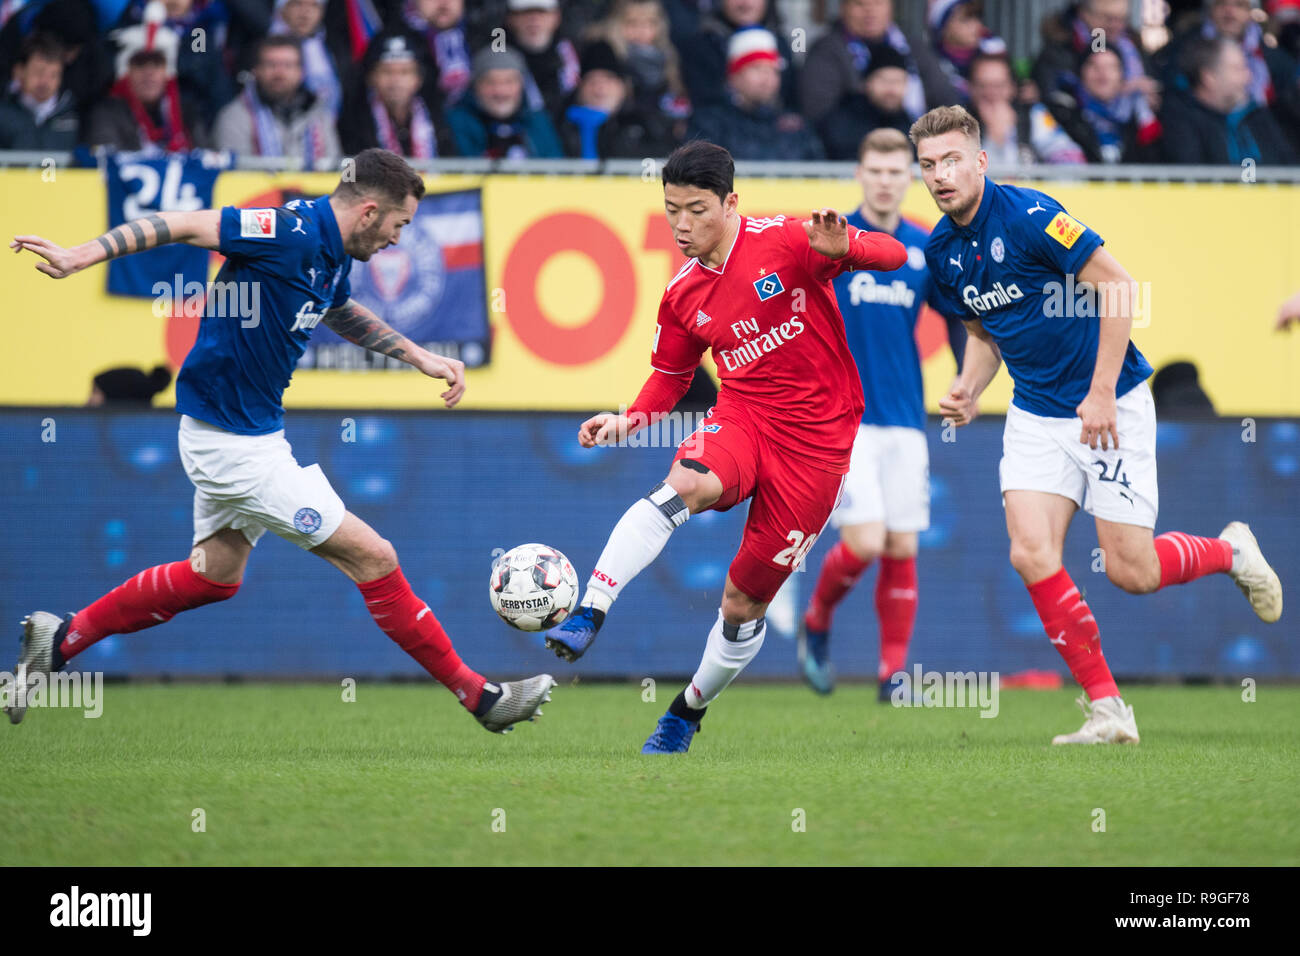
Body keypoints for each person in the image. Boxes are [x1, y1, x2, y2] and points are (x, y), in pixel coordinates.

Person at [5, 148, 555, 733]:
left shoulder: (330, 253)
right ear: (369, 211)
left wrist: (417, 354)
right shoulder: (286, 231)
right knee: (376, 557)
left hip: (251, 435)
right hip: (230, 446)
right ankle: (481, 698)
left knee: (213, 577)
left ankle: (61, 639)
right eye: (401, 224)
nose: (399, 238)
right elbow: (187, 223)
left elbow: (338, 311)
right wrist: (82, 254)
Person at [911, 105, 1282, 744]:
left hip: (1108, 405)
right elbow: (983, 330)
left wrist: (1103, 390)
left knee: (1131, 572)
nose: (940, 176)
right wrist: (969, 389)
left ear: (980, 161)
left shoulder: (1029, 217)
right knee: (1030, 553)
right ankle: (1108, 710)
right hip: (1034, 414)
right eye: (928, 166)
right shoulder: (942, 251)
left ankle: (1231, 551)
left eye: (950, 161)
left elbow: (1118, 286)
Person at [541, 140, 908, 753]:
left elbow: (894, 253)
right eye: (672, 210)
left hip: (819, 443)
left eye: (697, 210)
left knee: (742, 602)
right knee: (685, 485)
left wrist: (849, 246)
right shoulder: (682, 293)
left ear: (731, 202)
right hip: (742, 416)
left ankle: (686, 711)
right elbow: (672, 377)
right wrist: (629, 420)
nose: (682, 225)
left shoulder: (790, 241)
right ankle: (591, 608)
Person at [798, 128, 966, 699]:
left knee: (902, 546)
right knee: (866, 541)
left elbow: (959, 319)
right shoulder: (830, 238)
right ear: (860, 174)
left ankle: (891, 673)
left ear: (909, 178)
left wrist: (965, 383)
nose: (887, 181)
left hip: (905, 418)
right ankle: (815, 621)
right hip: (843, 420)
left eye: (898, 172)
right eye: (877, 170)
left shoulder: (925, 246)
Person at [687, 27, 824, 162]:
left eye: (773, 70)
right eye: (756, 68)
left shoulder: (795, 127)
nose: (766, 78)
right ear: (734, 76)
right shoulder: (710, 124)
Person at [1159, 34, 1297, 163]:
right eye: (1238, 69)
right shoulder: (1180, 121)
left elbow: (1288, 166)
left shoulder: (1257, 116)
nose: (1248, 77)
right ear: (1209, 78)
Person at [212, 35, 340, 166]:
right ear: (256, 70)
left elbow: (332, 168)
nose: (279, 73)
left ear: (301, 72)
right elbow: (233, 175)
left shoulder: (319, 115)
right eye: (271, 65)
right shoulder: (234, 116)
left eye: (288, 65)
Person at [446, 46, 563, 158]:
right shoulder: (457, 122)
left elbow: (556, 166)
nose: (501, 91)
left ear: (521, 85)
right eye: (491, 82)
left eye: (509, 82)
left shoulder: (537, 121)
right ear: (475, 86)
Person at [86, 47, 208, 152]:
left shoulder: (187, 111)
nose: (149, 72)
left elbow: (204, 157)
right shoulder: (107, 113)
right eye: (140, 63)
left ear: (167, 72)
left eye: (157, 63)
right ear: (127, 71)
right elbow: (108, 160)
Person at [817, 41, 913, 161]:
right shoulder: (840, 124)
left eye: (898, 81)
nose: (891, 89)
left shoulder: (909, 126)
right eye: (883, 80)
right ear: (866, 83)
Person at [0, 32, 79, 150]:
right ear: (18, 71)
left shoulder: (74, 115)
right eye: (39, 72)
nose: (45, 82)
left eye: (53, 75)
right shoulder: (3, 114)